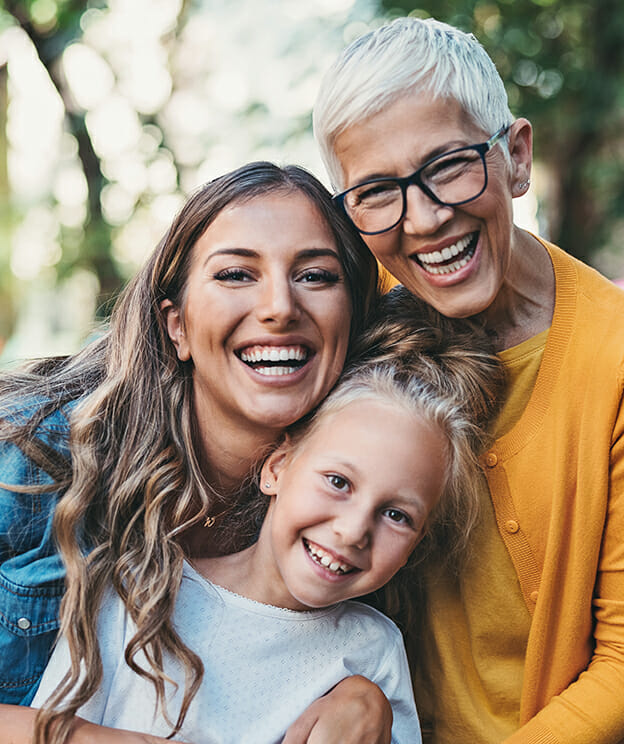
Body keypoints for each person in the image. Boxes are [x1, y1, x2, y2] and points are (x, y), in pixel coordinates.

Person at [313, 16, 624, 744]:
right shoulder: (352, 319)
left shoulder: (611, 358)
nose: (423, 220)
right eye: (378, 192)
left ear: (515, 157)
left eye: (449, 165)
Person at [0, 161, 385, 744]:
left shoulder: (365, 502)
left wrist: (366, 693)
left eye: (315, 276)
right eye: (236, 274)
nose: (280, 306)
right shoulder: (35, 460)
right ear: (175, 325)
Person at [30, 288, 504, 744]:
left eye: (398, 515)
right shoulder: (141, 588)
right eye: (338, 482)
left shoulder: (371, 652)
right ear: (277, 468)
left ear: (419, 540)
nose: (354, 530)